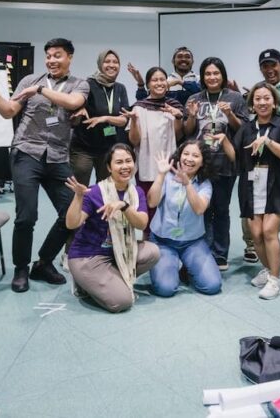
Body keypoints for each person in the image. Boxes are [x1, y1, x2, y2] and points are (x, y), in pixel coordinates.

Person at [0, 37, 89, 293]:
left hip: (57, 156)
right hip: (26, 152)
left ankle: (43, 263)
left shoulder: (79, 84)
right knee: (27, 216)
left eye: (57, 55)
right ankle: (21, 268)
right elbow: (9, 111)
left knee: (72, 215)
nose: (51, 60)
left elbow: (74, 103)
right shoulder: (29, 80)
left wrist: (41, 91)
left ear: (69, 57)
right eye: (48, 56)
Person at [222, 82, 280, 300]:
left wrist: (268, 141)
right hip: (251, 185)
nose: (262, 102)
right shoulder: (247, 127)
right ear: (252, 104)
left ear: (274, 103)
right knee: (255, 235)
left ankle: (275, 280)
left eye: (267, 98)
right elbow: (236, 156)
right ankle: (267, 269)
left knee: (268, 231)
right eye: (258, 99)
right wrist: (224, 140)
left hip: (278, 185)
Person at [64, 144, 159, 312]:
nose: (125, 166)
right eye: (119, 162)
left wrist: (124, 206)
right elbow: (72, 224)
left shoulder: (136, 192)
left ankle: (109, 280)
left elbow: (142, 224)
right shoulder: (95, 191)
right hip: (88, 257)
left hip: (117, 251)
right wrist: (78, 197)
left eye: (128, 161)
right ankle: (85, 283)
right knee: (122, 302)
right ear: (109, 167)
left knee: (153, 252)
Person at [183, 57, 248, 271]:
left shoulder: (235, 98)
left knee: (220, 209)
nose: (212, 77)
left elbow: (242, 129)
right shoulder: (194, 98)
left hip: (224, 162)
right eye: (208, 74)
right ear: (202, 77)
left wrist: (229, 114)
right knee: (201, 209)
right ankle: (202, 250)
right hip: (200, 164)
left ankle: (220, 254)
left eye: (216, 73)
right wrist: (192, 116)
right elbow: (187, 131)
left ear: (223, 75)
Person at [239, 48, 280, 264]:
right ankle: (255, 247)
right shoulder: (258, 89)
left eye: (273, 65)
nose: (269, 69)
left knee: (270, 225)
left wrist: (261, 100)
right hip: (255, 159)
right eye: (265, 66)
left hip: (277, 151)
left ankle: (273, 258)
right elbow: (250, 116)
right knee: (253, 213)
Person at [147, 140, 222, 297]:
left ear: (202, 162)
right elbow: (152, 202)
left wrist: (188, 184)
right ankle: (172, 264)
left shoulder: (205, 184)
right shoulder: (167, 176)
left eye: (195, 156)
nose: (189, 159)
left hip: (192, 242)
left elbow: (199, 209)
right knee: (166, 289)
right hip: (163, 240)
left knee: (212, 286)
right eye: (186, 154)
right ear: (179, 156)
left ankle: (185, 266)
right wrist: (160, 175)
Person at [123, 66, 184, 211]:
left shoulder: (174, 106)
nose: (159, 83)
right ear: (148, 85)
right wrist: (133, 121)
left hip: (169, 164)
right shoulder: (139, 107)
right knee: (148, 206)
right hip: (146, 165)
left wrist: (178, 117)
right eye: (155, 80)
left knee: (169, 207)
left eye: (162, 79)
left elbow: (178, 136)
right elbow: (134, 141)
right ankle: (147, 227)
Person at [69, 49, 131, 186]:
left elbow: (124, 120)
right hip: (84, 148)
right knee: (79, 188)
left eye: (115, 62)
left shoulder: (120, 88)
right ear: (100, 64)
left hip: (108, 148)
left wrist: (105, 118)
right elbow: (76, 105)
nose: (111, 65)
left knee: (106, 188)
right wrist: (79, 108)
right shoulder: (87, 84)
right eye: (107, 61)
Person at [127, 46, 200, 107]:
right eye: (179, 56)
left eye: (187, 57)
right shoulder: (165, 80)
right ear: (173, 61)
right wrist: (140, 84)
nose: (183, 59)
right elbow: (145, 101)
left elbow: (201, 92)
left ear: (193, 61)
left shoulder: (199, 79)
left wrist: (179, 82)